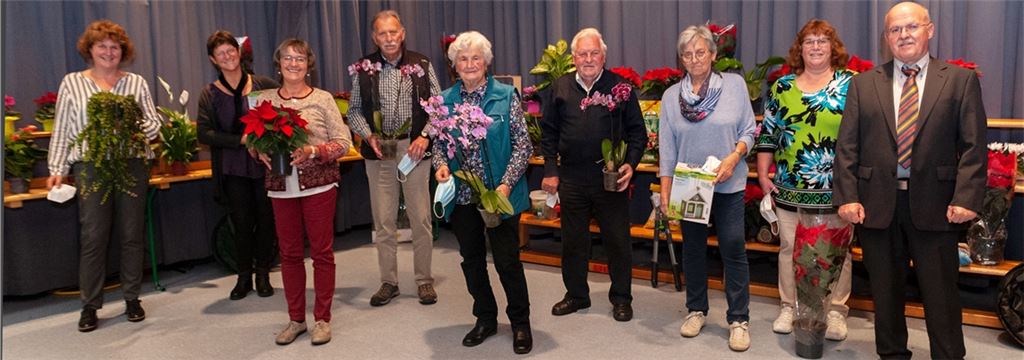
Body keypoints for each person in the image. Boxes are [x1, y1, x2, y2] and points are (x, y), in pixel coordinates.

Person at [834, 2, 986, 358]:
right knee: (886, 295)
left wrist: (966, 198)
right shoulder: (863, 84)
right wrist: (847, 196)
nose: (903, 35)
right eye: (895, 30)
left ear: (929, 30)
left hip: (938, 205)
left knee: (941, 297)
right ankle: (892, 355)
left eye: (911, 27)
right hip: (876, 205)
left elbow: (974, 146)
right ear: (886, 38)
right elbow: (847, 147)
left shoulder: (959, 81)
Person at [46, 19, 162, 333]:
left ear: (123, 51)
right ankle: (90, 304)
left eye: (115, 47)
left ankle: (132, 297)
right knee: (93, 236)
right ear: (90, 49)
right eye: (102, 46)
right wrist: (57, 169)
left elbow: (154, 125)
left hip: (132, 163)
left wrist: (130, 122)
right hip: (90, 165)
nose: (109, 52)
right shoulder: (72, 83)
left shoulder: (135, 83)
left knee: (132, 234)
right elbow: (63, 128)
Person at [431, 31, 534, 355]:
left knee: (507, 261)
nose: (470, 64)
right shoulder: (445, 100)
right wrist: (440, 166)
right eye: (463, 59)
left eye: (476, 58)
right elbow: (439, 144)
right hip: (462, 196)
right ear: (454, 65)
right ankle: (485, 318)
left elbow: (523, 145)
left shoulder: (505, 96)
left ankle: (520, 323)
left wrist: (505, 185)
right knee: (472, 260)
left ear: (486, 62)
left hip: (499, 194)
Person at [753, 19, 855, 341]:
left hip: (837, 189)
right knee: (789, 249)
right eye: (809, 41)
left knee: (837, 251)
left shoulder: (851, 84)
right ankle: (790, 306)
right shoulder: (782, 88)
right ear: (800, 49)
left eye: (822, 41)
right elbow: (768, 135)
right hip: (788, 187)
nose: (815, 46)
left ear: (833, 48)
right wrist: (763, 174)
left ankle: (836, 311)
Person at [658, 25, 756, 352]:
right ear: (681, 59)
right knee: (693, 249)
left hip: (729, 181)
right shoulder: (671, 97)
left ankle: (738, 319)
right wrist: (666, 191)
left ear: (713, 54)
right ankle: (696, 309)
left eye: (700, 52)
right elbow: (667, 149)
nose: (694, 59)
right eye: (687, 54)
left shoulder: (735, 86)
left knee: (733, 246)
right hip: (690, 186)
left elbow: (749, 131)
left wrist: (734, 157)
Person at [541, 27, 646, 322]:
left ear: (604, 56)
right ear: (574, 57)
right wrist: (550, 170)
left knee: (617, 241)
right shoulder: (560, 87)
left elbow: (637, 132)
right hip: (571, 178)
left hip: (610, 179)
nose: (588, 59)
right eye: (583, 54)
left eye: (594, 53)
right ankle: (576, 295)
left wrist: (631, 164)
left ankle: (622, 298)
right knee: (573, 241)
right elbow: (548, 133)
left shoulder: (620, 87)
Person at [255, 39, 352, 346]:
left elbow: (343, 143)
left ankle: (322, 319)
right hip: (281, 187)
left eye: (299, 58)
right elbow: (252, 140)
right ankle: (296, 319)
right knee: (289, 255)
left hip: (319, 185)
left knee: (322, 253)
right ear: (278, 63)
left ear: (308, 64)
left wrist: (313, 150)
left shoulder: (323, 99)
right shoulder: (264, 100)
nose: (293, 63)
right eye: (287, 58)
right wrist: (258, 151)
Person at [347, 10, 442, 307]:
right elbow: (353, 111)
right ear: (375, 37)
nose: (388, 38)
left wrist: (424, 136)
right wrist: (368, 135)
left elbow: (438, 107)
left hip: (414, 149)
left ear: (402, 33)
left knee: (420, 218)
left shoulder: (421, 64)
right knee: (384, 220)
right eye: (382, 33)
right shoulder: (364, 68)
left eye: (393, 32)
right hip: (380, 151)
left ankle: (424, 280)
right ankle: (389, 282)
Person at [197, 31, 279, 301]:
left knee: (266, 221)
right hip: (232, 170)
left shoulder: (263, 84)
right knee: (241, 223)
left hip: (265, 166)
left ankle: (263, 274)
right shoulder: (209, 94)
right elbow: (204, 134)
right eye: (220, 53)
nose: (227, 56)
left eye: (231, 50)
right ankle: (243, 277)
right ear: (213, 59)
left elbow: (282, 117)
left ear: (239, 52)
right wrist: (241, 140)